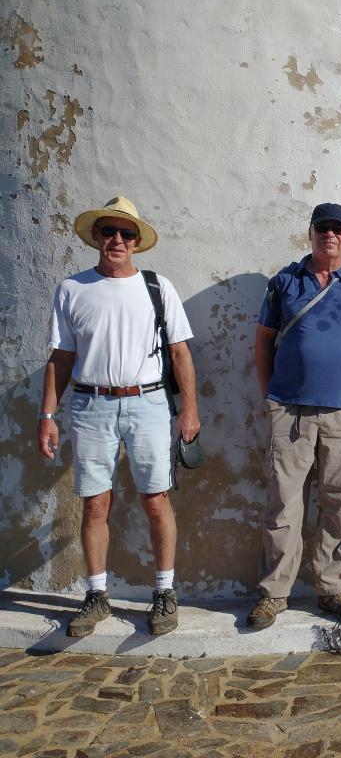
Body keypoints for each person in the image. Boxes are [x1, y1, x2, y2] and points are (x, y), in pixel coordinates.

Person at [38, 195, 200, 637]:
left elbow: (180, 352)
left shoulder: (157, 287)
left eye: (126, 233)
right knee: (95, 504)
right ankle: (96, 596)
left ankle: (165, 592)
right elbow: (61, 357)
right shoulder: (72, 289)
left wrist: (189, 409)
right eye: (108, 231)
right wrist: (47, 414)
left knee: (156, 500)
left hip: (147, 404)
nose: (117, 240)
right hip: (91, 406)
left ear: (136, 242)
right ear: (95, 236)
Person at [248, 203, 341, 629]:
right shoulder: (284, 283)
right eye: (323, 228)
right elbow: (262, 344)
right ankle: (275, 593)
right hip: (289, 412)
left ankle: (332, 589)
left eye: (338, 229)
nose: (330, 234)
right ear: (311, 234)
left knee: (339, 503)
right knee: (283, 505)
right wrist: (273, 395)